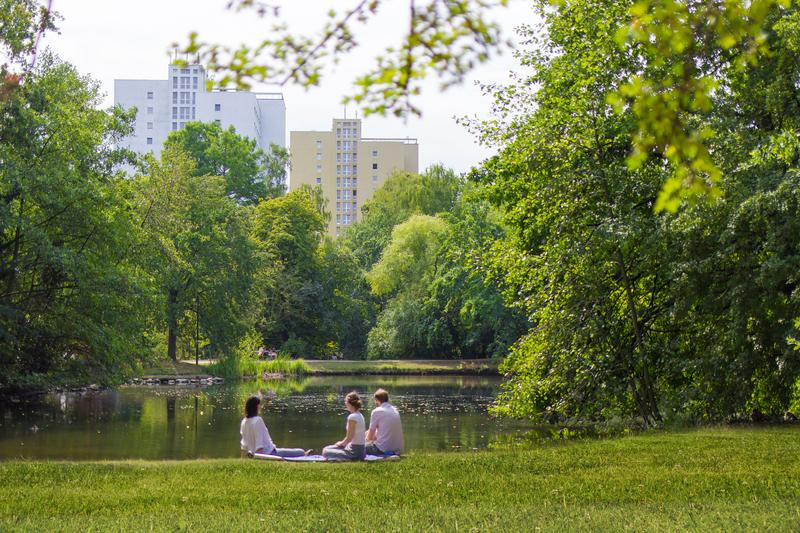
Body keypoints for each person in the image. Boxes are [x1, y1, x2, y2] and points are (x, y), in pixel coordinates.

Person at [240, 395, 311, 458]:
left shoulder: (244, 422)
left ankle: (304, 453)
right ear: (256, 406)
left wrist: (243, 458)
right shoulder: (258, 420)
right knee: (300, 451)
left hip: (264, 452)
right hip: (269, 453)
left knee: (290, 451)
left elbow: (244, 446)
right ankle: (304, 454)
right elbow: (259, 446)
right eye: (259, 405)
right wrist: (260, 459)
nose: (261, 407)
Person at [322, 391, 366, 461]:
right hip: (360, 450)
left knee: (325, 451)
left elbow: (349, 438)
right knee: (329, 447)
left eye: (345, 401)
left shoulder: (352, 417)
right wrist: (341, 444)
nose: (345, 403)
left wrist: (341, 443)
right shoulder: (359, 415)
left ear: (349, 403)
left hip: (355, 452)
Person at [365, 388, 404, 456]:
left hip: (382, 450)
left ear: (377, 400)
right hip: (398, 450)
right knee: (367, 433)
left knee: (359, 448)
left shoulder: (376, 411)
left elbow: (369, 437)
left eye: (375, 401)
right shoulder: (395, 410)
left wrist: (364, 441)